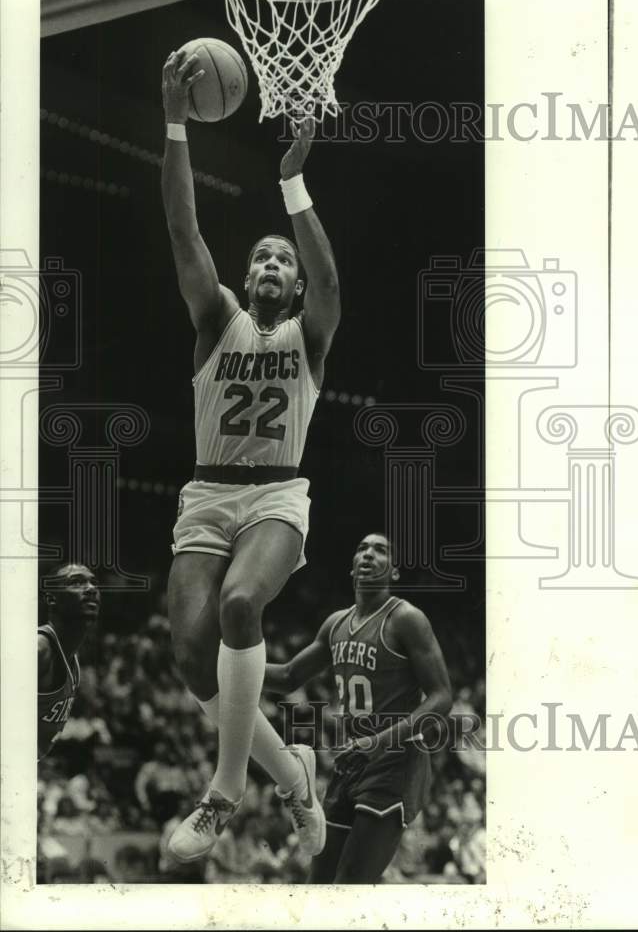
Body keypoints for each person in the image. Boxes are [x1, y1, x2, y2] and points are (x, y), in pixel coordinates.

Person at [160, 49, 339, 862]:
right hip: (207, 496)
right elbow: (182, 227)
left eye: (284, 262)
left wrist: (293, 183)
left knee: (240, 608)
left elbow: (334, 280)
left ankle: (226, 789)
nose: (273, 265)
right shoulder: (215, 320)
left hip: (275, 499)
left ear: (294, 288)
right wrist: (174, 123)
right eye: (263, 256)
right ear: (246, 276)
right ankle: (294, 776)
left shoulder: (311, 334)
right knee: (193, 659)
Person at [264, 532, 453, 883]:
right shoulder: (335, 624)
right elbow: (290, 675)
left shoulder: (406, 619)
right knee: (318, 884)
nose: (368, 554)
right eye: (362, 548)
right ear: (352, 569)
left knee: (350, 885)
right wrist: (228, 667)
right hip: (351, 762)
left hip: (395, 760)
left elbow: (442, 697)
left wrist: (378, 742)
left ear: (394, 572)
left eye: (380, 551)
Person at [38, 563, 101, 762]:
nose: (91, 588)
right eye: (76, 582)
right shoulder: (40, 650)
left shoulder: (72, 657)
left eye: (94, 583)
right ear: (51, 598)